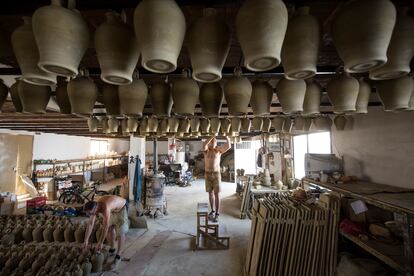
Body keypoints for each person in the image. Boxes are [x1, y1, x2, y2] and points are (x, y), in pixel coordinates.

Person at [83, 195, 129, 268]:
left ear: (96, 209)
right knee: (110, 229)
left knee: (121, 232)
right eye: (89, 213)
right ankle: (112, 249)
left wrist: (100, 242)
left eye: (91, 213)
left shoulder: (105, 207)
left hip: (122, 208)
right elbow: (91, 224)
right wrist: (86, 240)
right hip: (113, 209)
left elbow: (105, 227)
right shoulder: (94, 207)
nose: (90, 215)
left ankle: (118, 256)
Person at [203, 136, 231, 222]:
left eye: (213, 142)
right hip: (207, 175)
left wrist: (227, 137)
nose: (212, 143)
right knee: (210, 194)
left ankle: (217, 213)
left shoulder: (218, 151)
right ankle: (212, 210)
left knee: (217, 194)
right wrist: (212, 136)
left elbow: (228, 146)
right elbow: (204, 144)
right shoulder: (206, 151)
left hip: (216, 175)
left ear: (216, 143)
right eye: (211, 142)